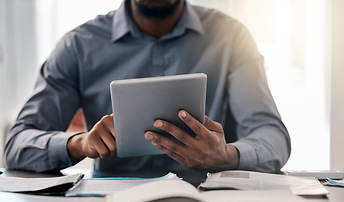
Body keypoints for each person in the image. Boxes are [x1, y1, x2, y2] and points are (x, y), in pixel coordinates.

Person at [4, 0, 291, 177]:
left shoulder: (232, 37)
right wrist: (81, 143)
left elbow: (272, 135)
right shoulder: (78, 45)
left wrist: (226, 156)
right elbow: (18, 145)